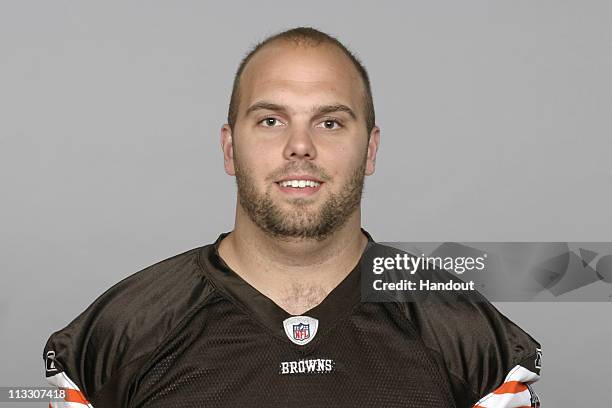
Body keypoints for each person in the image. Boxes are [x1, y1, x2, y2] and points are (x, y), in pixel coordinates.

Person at [43, 27, 542, 407]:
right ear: (229, 147)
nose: (299, 146)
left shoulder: (467, 334)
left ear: (370, 149)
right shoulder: (119, 333)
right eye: (270, 120)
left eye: (329, 122)